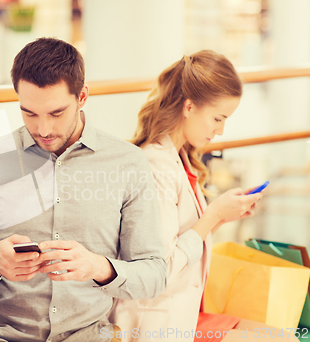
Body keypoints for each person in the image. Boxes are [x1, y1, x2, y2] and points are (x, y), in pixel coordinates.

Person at [0, 37, 167, 342]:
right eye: (29, 113)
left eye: (56, 113)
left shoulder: (128, 163)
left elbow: (155, 275)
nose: (43, 130)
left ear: (83, 97)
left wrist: (98, 267)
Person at [109, 50, 298, 342]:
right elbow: (160, 269)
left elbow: (184, 237)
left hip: (184, 312)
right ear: (188, 106)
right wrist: (214, 214)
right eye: (218, 118)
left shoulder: (180, 157)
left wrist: (222, 217)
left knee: (284, 336)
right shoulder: (157, 166)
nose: (220, 131)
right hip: (156, 323)